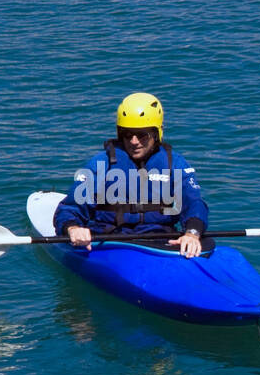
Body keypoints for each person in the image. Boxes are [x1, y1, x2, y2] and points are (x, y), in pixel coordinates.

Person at [53, 93, 209, 259]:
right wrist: (73, 228)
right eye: (128, 134)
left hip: (159, 242)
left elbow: (194, 204)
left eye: (142, 135)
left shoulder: (175, 164)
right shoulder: (101, 164)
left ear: (157, 134)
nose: (134, 141)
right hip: (108, 242)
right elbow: (70, 208)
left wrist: (192, 234)